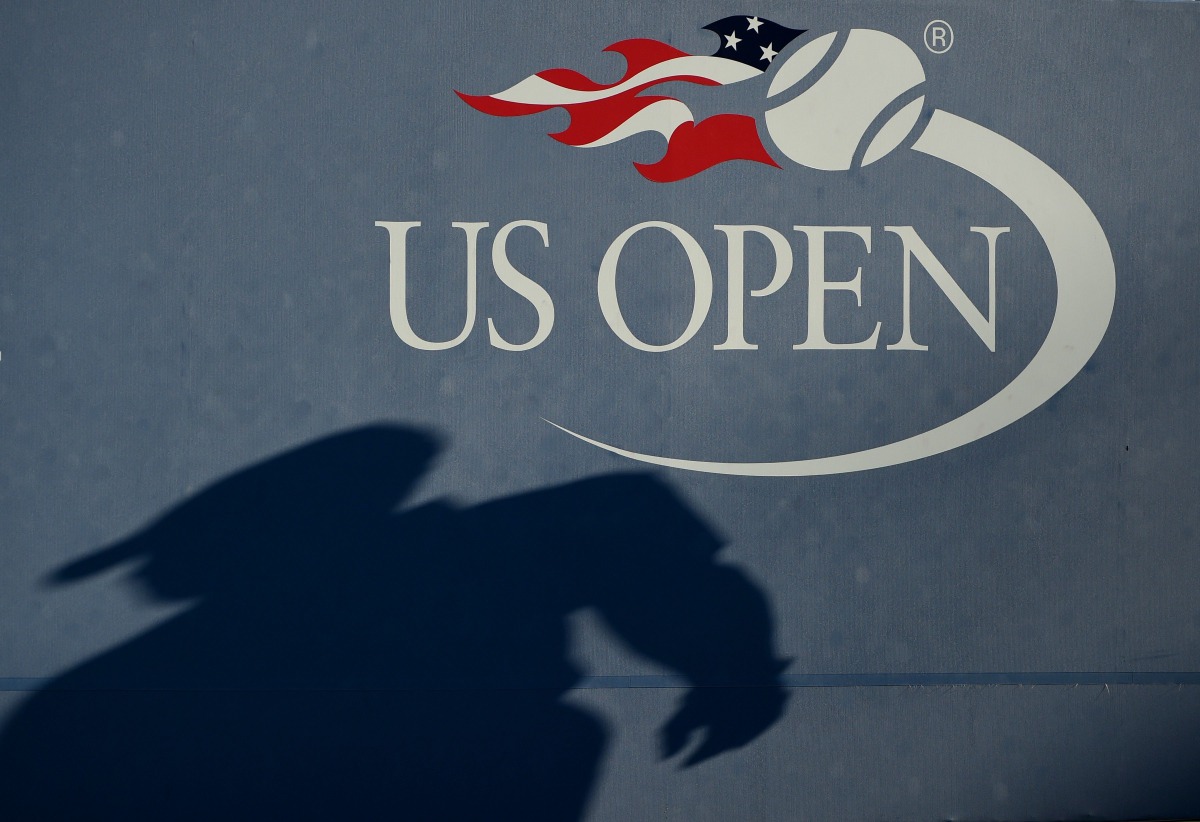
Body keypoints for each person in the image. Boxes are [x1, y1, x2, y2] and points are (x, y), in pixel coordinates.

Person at [0, 425, 788, 820]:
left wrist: (737, 669)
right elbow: (632, 529)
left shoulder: (437, 568)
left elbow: (632, 527)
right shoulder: (102, 715)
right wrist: (738, 671)